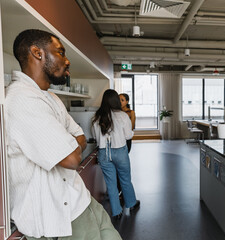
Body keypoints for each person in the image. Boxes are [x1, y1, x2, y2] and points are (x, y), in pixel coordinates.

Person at [5, 29, 122, 239]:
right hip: (58, 218)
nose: (67, 61)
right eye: (61, 52)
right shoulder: (21, 99)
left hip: (82, 200)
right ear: (37, 52)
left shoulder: (51, 98)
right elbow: (71, 158)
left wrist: (69, 143)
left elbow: (80, 136)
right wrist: (71, 145)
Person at [92, 89, 140, 219]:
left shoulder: (97, 116)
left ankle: (116, 211)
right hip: (120, 151)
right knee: (125, 179)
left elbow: (95, 137)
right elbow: (128, 135)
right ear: (115, 101)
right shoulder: (122, 115)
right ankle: (131, 203)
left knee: (111, 183)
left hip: (103, 153)